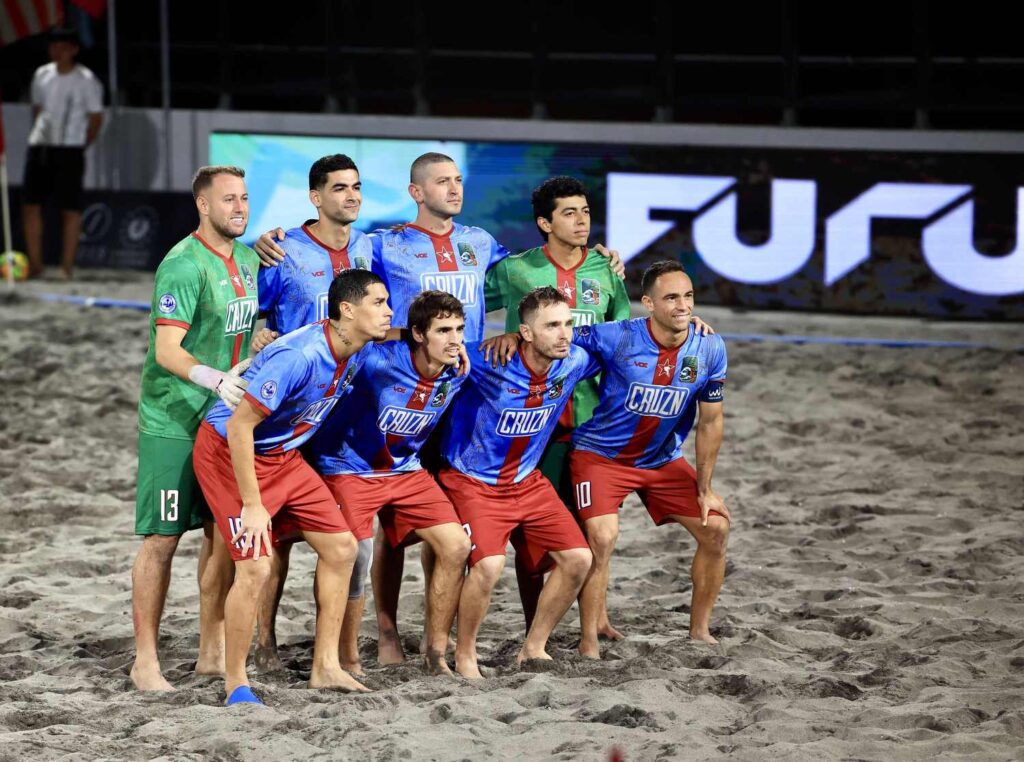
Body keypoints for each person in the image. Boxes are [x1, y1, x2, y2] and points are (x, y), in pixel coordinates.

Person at [194, 269, 393, 704]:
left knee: (342, 548)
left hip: (282, 456)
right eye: (379, 303)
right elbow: (239, 427)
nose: (388, 312)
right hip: (229, 451)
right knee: (255, 568)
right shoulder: (300, 356)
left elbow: (403, 336)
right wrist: (252, 505)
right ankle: (236, 683)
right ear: (347, 310)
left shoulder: (355, 344)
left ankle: (326, 667)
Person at [131, 166, 261, 691]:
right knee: (162, 540)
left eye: (244, 198)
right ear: (203, 205)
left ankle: (211, 653)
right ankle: (145, 661)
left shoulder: (249, 259)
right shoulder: (183, 265)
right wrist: (213, 377)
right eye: (228, 199)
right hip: (175, 420)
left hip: (224, 420)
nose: (240, 207)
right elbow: (166, 349)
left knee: (219, 536)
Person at [249, 153, 375, 669]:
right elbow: (252, 311)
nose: (352, 195)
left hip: (347, 410)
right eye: (340, 188)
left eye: (357, 186)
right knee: (276, 539)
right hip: (290, 410)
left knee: (351, 536)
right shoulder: (283, 250)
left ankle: (344, 649)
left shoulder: (369, 246)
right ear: (315, 197)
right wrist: (255, 334)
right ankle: (265, 642)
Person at [569, 261, 731, 658]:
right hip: (600, 457)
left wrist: (706, 489)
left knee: (716, 529)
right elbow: (556, 335)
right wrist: (512, 336)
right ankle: (590, 640)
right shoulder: (619, 336)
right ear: (648, 303)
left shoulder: (710, 347)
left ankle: (699, 632)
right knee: (602, 538)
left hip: (661, 461)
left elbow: (711, 422)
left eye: (688, 296)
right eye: (671, 298)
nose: (683, 306)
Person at [309, 290, 472, 676]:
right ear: (418, 334)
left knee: (457, 546)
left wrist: (509, 336)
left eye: (459, 330)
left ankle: (435, 655)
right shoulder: (377, 360)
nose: (455, 340)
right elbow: (337, 336)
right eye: (443, 331)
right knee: (355, 556)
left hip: (406, 472)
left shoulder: (459, 369)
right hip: (349, 467)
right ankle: (348, 659)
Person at [439, 287, 599, 678]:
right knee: (489, 565)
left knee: (579, 559)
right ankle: (465, 654)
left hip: (527, 481)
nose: (564, 334)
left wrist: (687, 325)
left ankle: (534, 646)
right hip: (473, 481)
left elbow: (628, 339)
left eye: (567, 324)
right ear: (525, 333)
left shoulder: (574, 360)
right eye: (552, 326)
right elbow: (434, 351)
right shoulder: (487, 359)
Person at [21, 26, 103, 279]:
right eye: (53, 47)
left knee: (70, 208)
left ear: (74, 50)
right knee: (31, 205)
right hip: (40, 146)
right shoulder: (42, 74)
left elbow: (96, 118)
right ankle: (36, 265)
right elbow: (38, 109)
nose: (57, 52)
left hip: (70, 149)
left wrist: (80, 143)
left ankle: (66, 267)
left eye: (63, 47)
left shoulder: (86, 79)